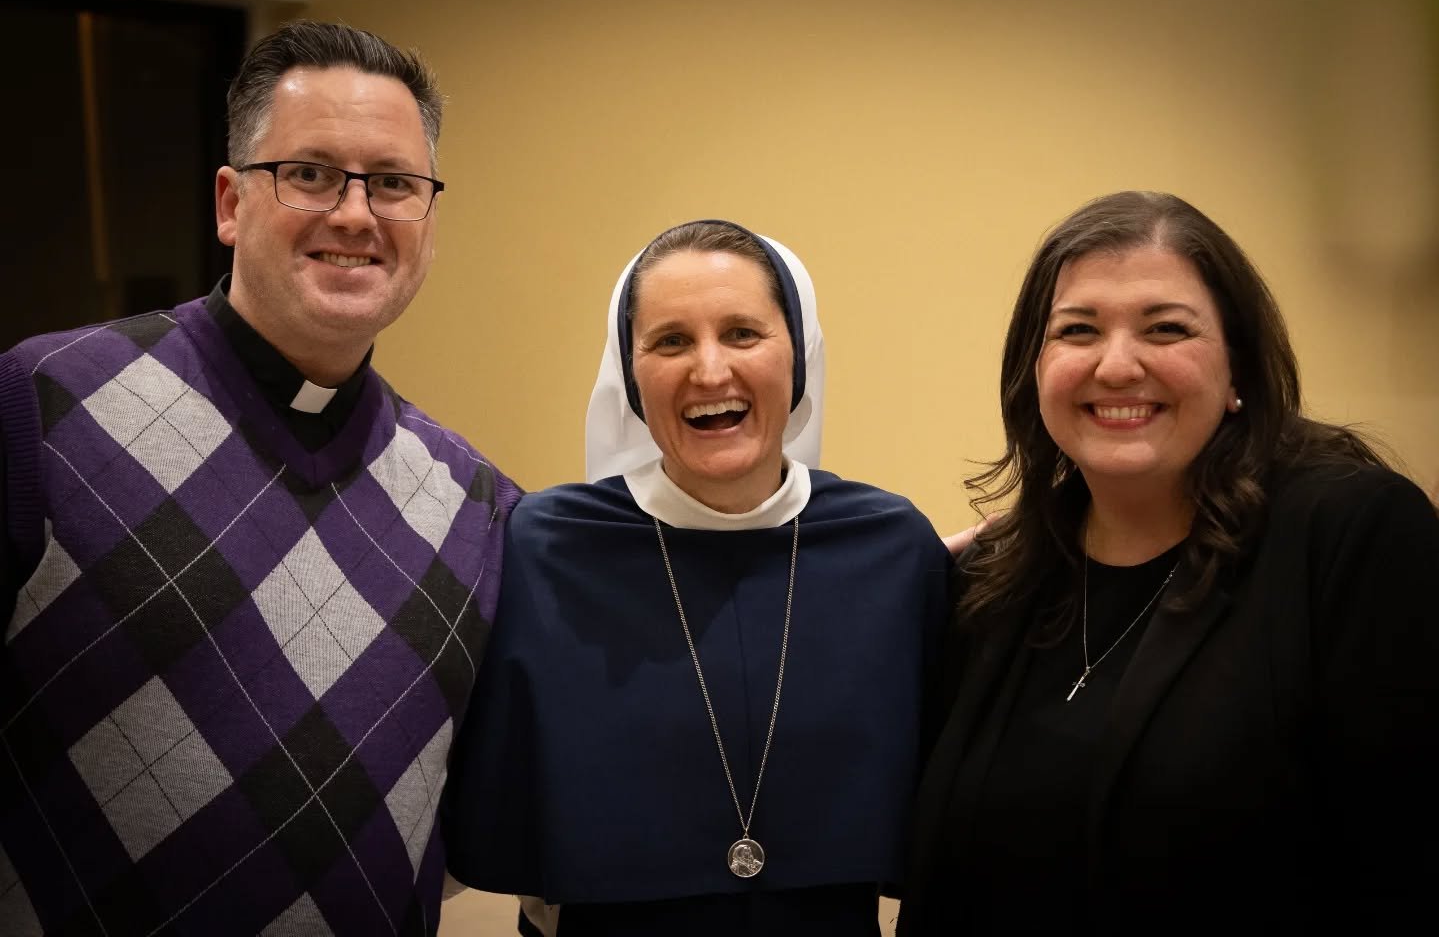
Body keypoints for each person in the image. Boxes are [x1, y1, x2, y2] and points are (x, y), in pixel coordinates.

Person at [0, 21, 519, 935]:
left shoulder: (477, 508)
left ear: (428, 220)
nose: (356, 214)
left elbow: (443, 831)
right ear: (231, 203)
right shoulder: (44, 408)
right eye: (311, 173)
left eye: (394, 183)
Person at [898, 191, 1439, 934]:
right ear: (1035, 367)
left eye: (1165, 329)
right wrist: (888, 591)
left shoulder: (1349, 532)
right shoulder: (995, 577)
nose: (1116, 366)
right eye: (1077, 330)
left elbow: (1405, 860)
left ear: (1236, 369)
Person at [443, 219, 952, 936]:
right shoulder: (545, 548)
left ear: (798, 354)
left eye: (743, 333)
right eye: (670, 340)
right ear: (628, 369)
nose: (709, 371)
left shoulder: (892, 549)